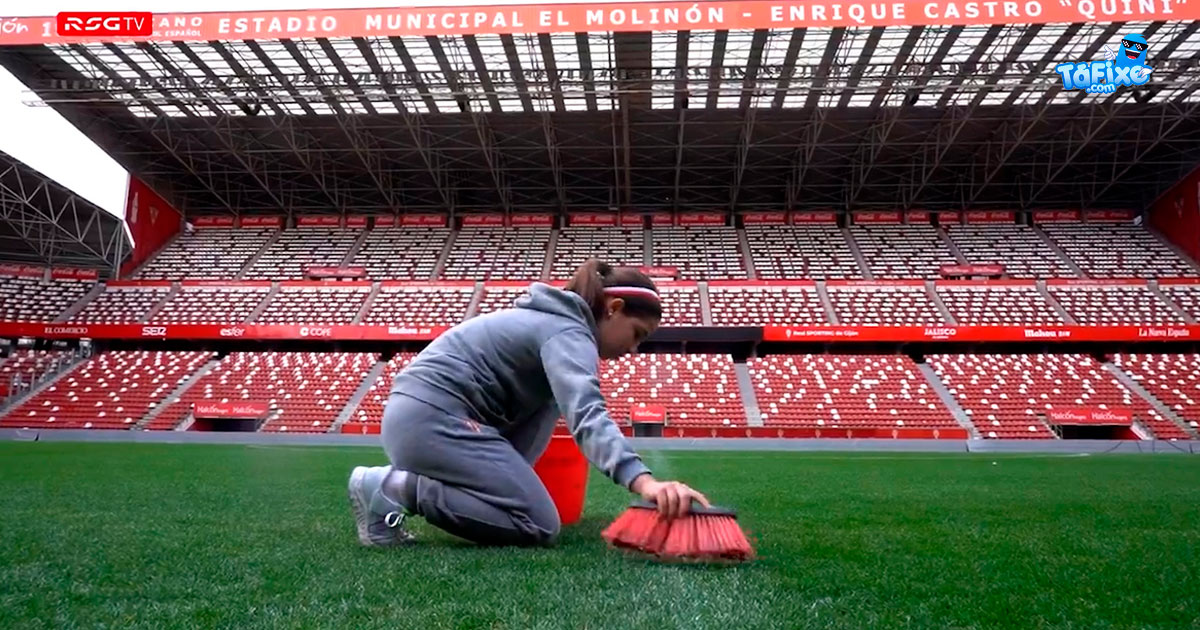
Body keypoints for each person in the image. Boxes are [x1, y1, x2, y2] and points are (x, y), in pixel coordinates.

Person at [347, 258, 711, 547]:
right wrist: (643, 482)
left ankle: (391, 501)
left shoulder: (553, 324)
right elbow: (587, 414)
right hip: (432, 419)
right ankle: (394, 487)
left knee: (546, 421)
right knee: (537, 523)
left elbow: (547, 419)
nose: (632, 349)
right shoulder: (569, 331)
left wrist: (514, 485)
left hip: (422, 419)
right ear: (613, 308)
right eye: (637, 335)